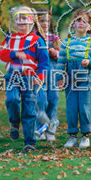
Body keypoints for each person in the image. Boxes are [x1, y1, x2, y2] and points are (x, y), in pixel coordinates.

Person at [0, 6, 49, 152]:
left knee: (29, 109)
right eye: (17, 19)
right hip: (12, 76)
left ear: (31, 21)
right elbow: (2, 55)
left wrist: (40, 77)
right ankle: (14, 123)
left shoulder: (37, 40)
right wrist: (15, 54)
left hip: (29, 78)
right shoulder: (10, 38)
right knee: (12, 100)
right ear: (14, 23)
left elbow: (44, 63)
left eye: (24, 18)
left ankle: (30, 142)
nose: (20, 21)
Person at [57, 8, 91, 148]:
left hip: (86, 79)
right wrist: (60, 77)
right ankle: (72, 136)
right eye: (78, 21)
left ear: (89, 26)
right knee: (72, 107)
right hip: (70, 80)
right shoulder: (66, 43)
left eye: (84, 21)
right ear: (73, 24)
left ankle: (85, 136)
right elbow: (61, 62)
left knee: (85, 106)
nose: (81, 23)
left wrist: (90, 62)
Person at [37, 8, 61, 141]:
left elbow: (63, 57)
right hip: (39, 74)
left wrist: (55, 53)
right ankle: (40, 129)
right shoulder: (34, 38)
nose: (44, 24)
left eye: (46, 21)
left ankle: (51, 131)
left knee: (53, 100)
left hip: (53, 74)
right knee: (41, 101)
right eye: (41, 21)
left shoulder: (55, 39)